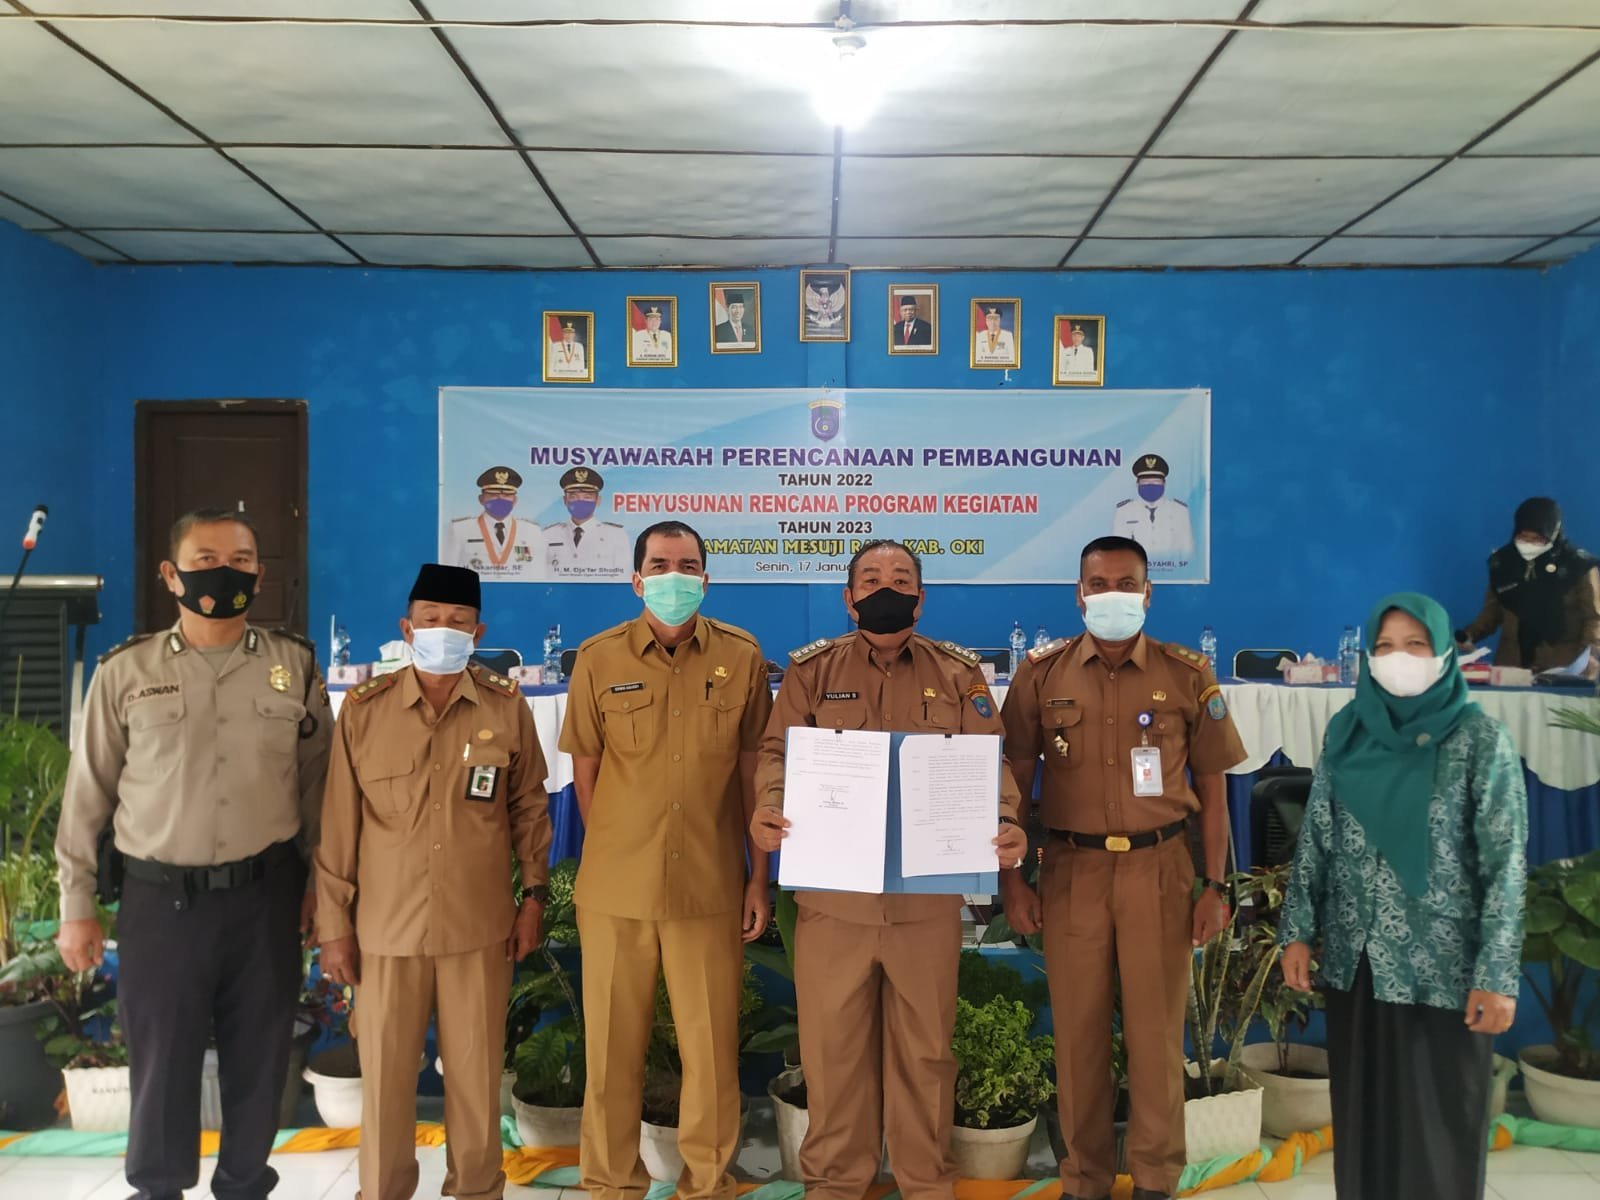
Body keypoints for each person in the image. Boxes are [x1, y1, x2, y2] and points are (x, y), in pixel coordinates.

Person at [55, 506, 332, 1200]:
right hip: (161, 902)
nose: (224, 573)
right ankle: (157, 1188)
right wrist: (75, 905)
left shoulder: (294, 665)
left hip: (266, 896)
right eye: (206, 560)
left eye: (240, 561)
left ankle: (244, 1184)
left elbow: (319, 790)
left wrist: (320, 889)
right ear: (171, 574)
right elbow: (87, 796)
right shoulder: (126, 671)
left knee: (259, 1058)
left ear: (259, 575)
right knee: (162, 1061)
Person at [750, 540, 1027, 1200]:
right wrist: (769, 806)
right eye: (871, 579)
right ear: (849, 600)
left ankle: (925, 1183)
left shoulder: (958, 674)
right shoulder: (813, 672)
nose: (886, 589)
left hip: (923, 904)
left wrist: (1006, 820)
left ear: (920, 600)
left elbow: (990, 763)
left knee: (926, 1055)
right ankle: (834, 1185)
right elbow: (775, 753)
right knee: (831, 1055)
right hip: (833, 904)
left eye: (901, 580)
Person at [999, 535, 1245, 1200]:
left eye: (1126, 584)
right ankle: (1084, 1179)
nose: (1113, 595)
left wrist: (1215, 885)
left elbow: (1214, 790)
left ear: (1148, 593)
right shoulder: (1041, 674)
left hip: (1159, 870)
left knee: (1155, 1036)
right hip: (1071, 870)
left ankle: (1156, 1180)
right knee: (1077, 1039)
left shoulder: (1186, 674)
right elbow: (1011, 783)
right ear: (1079, 595)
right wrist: (1011, 881)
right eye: (1099, 584)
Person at [315, 563, 552, 1200]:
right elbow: (337, 826)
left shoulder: (506, 707)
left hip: (479, 928)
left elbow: (530, 809)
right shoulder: (365, 711)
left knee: (475, 1079)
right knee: (386, 1080)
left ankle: (476, 1189)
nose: (443, 630)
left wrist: (533, 898)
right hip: (386, 932)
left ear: (478, 631)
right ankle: (382, 1191)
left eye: (457, 621)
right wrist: (334, 927)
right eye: (430, 620)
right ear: (407, 628)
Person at [1281, 592, 1526, 1200]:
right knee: (1364, 1128)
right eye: (1385, 646)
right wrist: (1297, 932)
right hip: (1357, 961)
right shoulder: (1347, 732)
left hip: (1443, 970)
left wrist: (1497, 976)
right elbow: (1316, 837)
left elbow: (1504, 865)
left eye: (1416, 644)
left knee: (1436, 1132)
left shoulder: (1478, 739)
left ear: (1443, 653)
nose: (1400, 658)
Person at [559, 521, 773, 1200]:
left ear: (705, 580)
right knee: (610, 1053)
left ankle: (707, 1184)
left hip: (708, 885)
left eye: (686, 566)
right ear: (636, 580)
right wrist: (618, 849)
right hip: (616, 890)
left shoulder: (741, 656)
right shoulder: (598, 658)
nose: (673, 577)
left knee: (710, 1054)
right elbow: (587, 776)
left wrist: (758, 878)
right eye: (659, 565)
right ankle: (609, 1184)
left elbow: (755, 777)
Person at [1457, 496, 1600, 676]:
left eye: (1537, 539)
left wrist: (1590, 655)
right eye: (1523, 537)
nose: (1529, 544)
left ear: (1553, 534)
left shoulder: (1578, 565)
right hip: (1512, 663)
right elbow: (1492, 612)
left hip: (1564, 662)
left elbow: (1594, 617)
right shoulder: (1503, 563)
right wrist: (1469, 635)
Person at [444, 465, 542, 580]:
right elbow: (448, 572)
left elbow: (539, 574)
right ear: (481, 499)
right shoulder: (459, 529)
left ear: (515, 500)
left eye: (506, 494)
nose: (500, 498)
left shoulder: (532, 531)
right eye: (493, 494)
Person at [541, 466, 630, 579]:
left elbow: (622, 579)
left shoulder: (616, 535)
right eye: (573, 496)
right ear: (565, 500)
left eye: (587, 497)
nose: (580, 501)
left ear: (598, 500)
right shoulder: (548, 535)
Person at [1112, 454, 1194, 561]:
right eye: (1145, 482)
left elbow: (1187, 550)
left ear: (1164, 483)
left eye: (1156, 482)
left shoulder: (1179, 510)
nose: (1150, 485)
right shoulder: (1124, 511)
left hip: (1171, 567)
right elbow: (1119, 550)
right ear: (1137, 484)